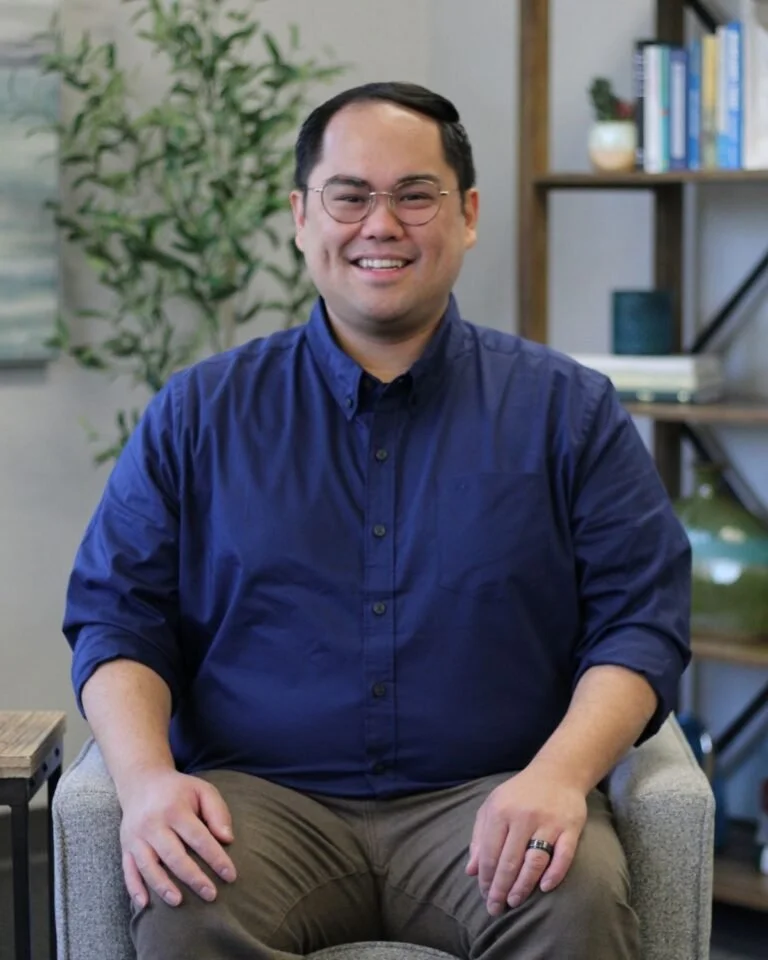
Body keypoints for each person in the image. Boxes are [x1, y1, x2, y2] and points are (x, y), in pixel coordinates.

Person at [62, 81, 692, 960]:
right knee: (186, 905)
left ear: (467, 214)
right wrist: (143, 779)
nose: (380, 224)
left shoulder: (568, 412)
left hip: (492, 801)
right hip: (262, 806)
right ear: (300, 215)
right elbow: (116, 617)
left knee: (573, 900)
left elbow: (641, 624)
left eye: (415, 194)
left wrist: (559, 777)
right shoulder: (198, 412)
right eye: (350, 195)